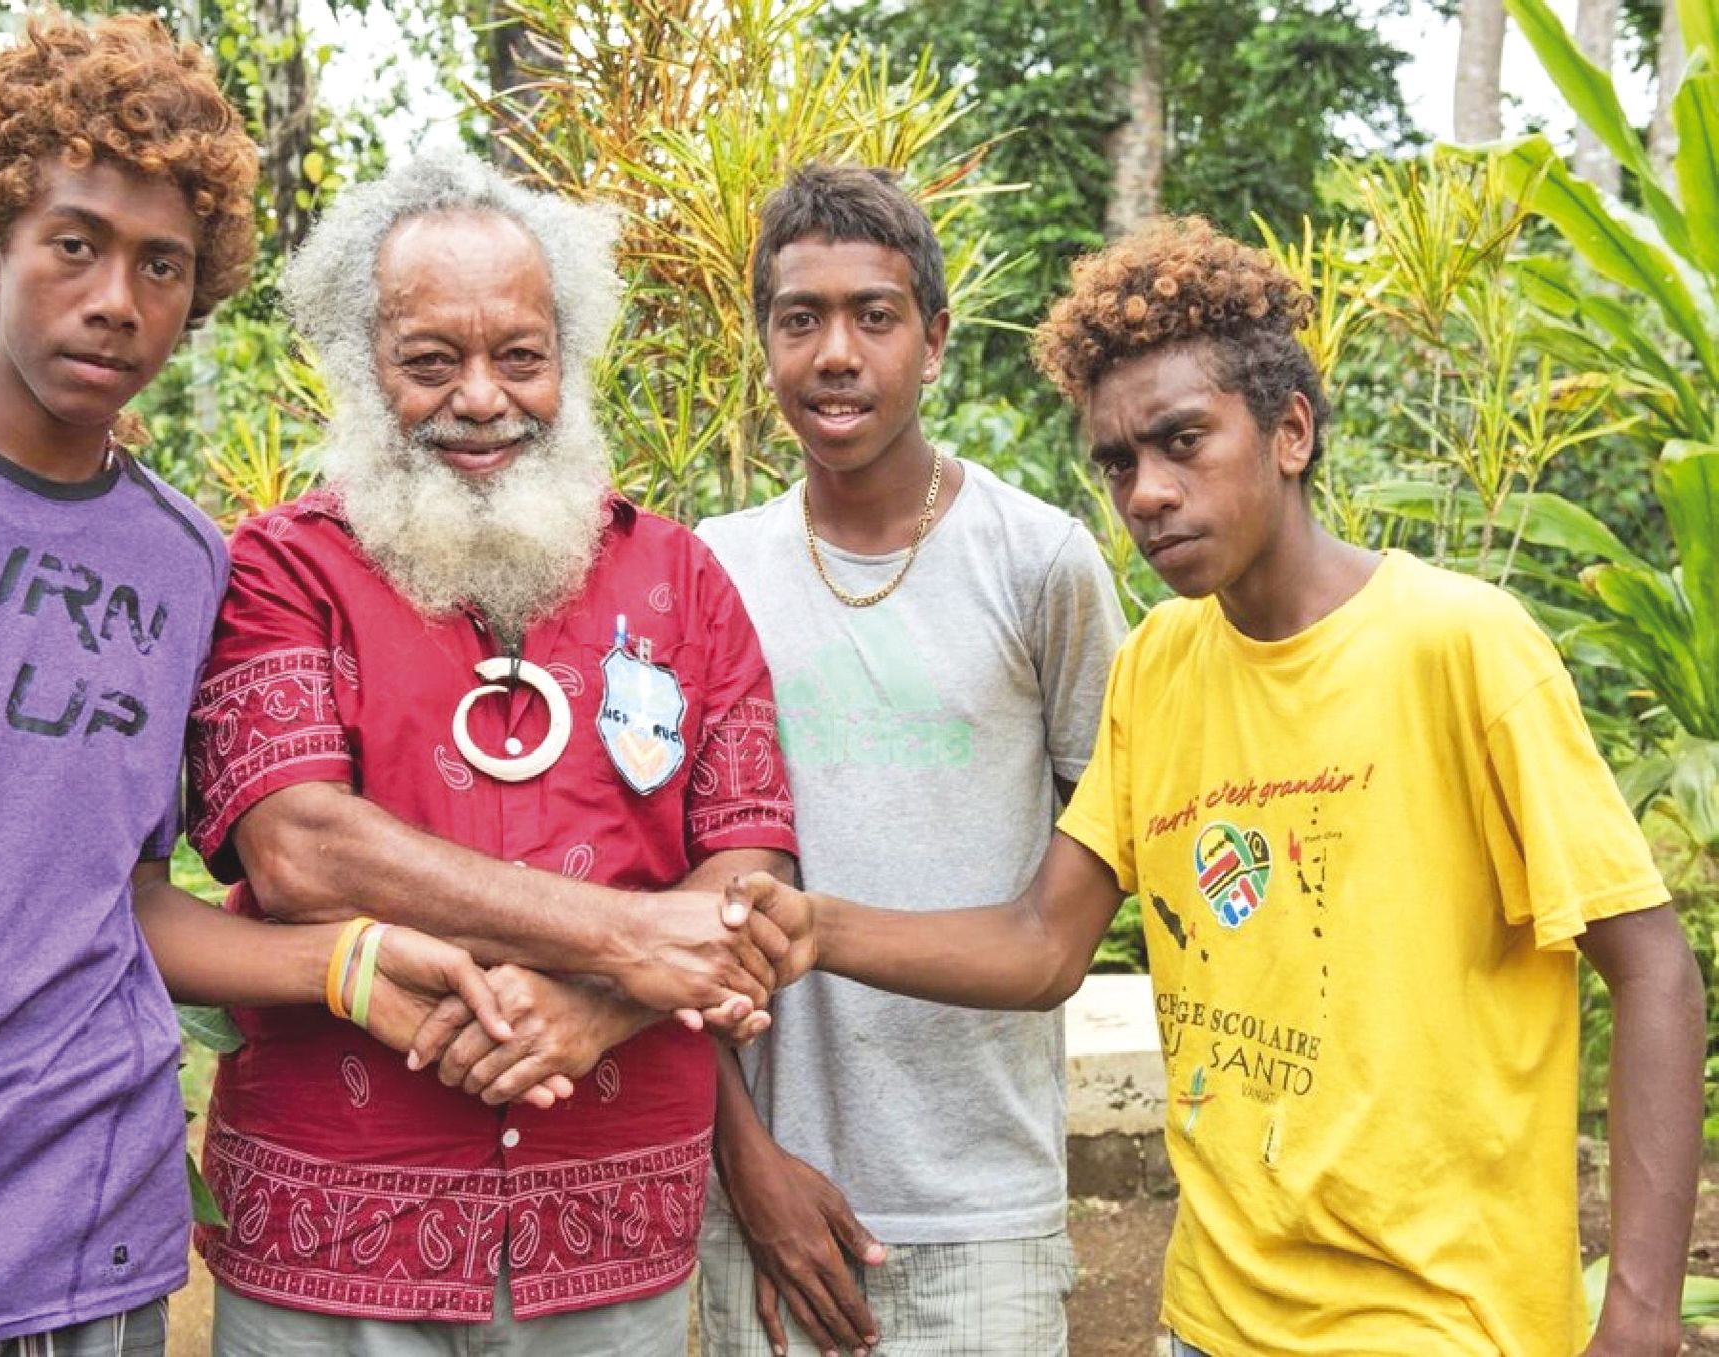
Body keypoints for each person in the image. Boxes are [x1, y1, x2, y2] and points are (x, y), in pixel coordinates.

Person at [725, 216, 1706, 1356]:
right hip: (1214, 1318)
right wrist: (817, 928)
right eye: (1117, 462)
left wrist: (1640, 1312)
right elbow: (1045, 942)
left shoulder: (1461, 646)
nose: (1146, 492)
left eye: (1183, 442)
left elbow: (1652, 969)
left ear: (1289, 431)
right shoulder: (1158, 666)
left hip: (1442, 1316)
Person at [0, 17, 514, 1356]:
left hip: (89, 1251)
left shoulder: (182, 562)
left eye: (161, 264)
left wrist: (346, 963)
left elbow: (123, 897)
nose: (116, 298)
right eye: (74, 244)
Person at [182, 148, 801, 1356]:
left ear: (569, 356)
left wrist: (594, 1007)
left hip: (611, 1214)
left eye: (520, 356)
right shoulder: (282, 568)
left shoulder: (680, 577)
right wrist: (624, 941)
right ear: (360, 362)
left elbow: (750, 868)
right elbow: (301, 848)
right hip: (332, 1221)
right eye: (430, 361)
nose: (480, 398)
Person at [691, 164, 1126, 1357]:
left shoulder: (1040, 565)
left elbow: (1078, 903)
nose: (836, 353)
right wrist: (745, 1160)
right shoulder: (704, 574)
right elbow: (662, 907)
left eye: (873, 316)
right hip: (766, 1206)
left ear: (932, 341)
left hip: (983, 1209)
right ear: (764, 344)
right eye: (800, 318)